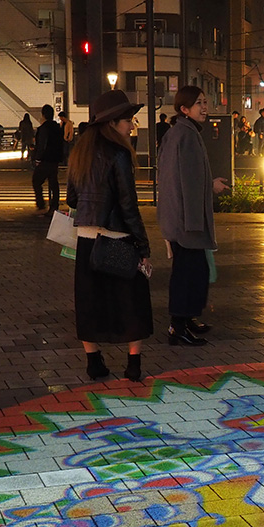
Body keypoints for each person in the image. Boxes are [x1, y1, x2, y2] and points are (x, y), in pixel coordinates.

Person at [66, 89, 154, 382]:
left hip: (86, 239)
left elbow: (72, 200)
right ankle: (134, 365)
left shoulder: (80, 152)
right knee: (132, 298)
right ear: (114, 122)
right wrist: (143, 246)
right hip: (116, 237)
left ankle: (94, 363)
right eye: (128, 120)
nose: (132, 126)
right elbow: (129, 206)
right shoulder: (119, 154)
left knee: (89, 301)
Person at [157, 86, 230, 345]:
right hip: (187, 221)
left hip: (184, 219)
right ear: (183, 109)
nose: (204, 107)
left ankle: (185, 320)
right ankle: (178, 326)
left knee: (193, 272)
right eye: (198, 103)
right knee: (188, 273)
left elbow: (187, 178)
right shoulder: (185, 135)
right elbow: (184, 183)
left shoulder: (182, 133)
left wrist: (209, 184)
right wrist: (192, 223)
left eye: (205, 102)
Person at [32, 104, 65, 215]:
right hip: (55, 158)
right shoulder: (57, 128)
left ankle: (41, 204)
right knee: (53, 183)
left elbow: (42, 145)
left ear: (43, 115)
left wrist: (38, 158)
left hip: (45, 159)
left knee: (36, 180)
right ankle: (54, 206)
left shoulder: (43, 129)